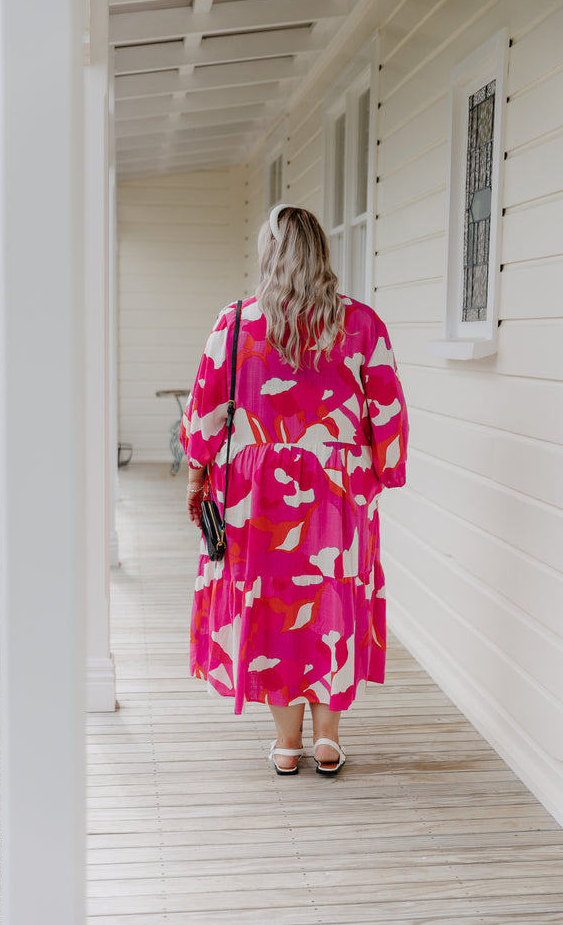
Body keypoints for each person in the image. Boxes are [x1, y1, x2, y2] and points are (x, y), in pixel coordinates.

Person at [180, 205, 408, 775]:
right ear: (321, 255)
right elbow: (387, 408)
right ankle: (327, 739)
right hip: (338, 489)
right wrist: (381, 472)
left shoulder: (235, 322)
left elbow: (205, 410)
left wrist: (196, 473)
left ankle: (286, 746)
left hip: (257, 497)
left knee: (273, 606)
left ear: (269, 255)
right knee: (330, 599)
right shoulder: (361, 324)